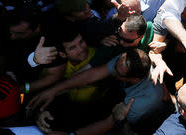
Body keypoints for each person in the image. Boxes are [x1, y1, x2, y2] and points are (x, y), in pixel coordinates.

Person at [30, 48, 164, 134]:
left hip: (137, 125)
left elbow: (109, 123)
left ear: (134, 79)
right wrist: (53, 90)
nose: (113, 71)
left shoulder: (146, 97)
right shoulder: (125, 62)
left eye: (117, 72)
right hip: (119, 99)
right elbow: (92, 74)